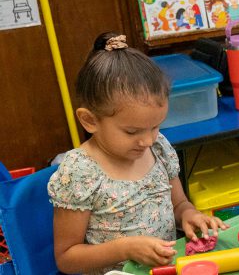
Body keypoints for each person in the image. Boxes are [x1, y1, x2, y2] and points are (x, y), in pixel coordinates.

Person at [48, 33, 229, 274]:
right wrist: (126, 249)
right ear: (89, 120)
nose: (147, 140)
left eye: (155, 126)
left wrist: (189, 215)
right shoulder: (80, 173)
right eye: (132, 131)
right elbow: (67, 258)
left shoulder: (158, 148)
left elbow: (179, 204)